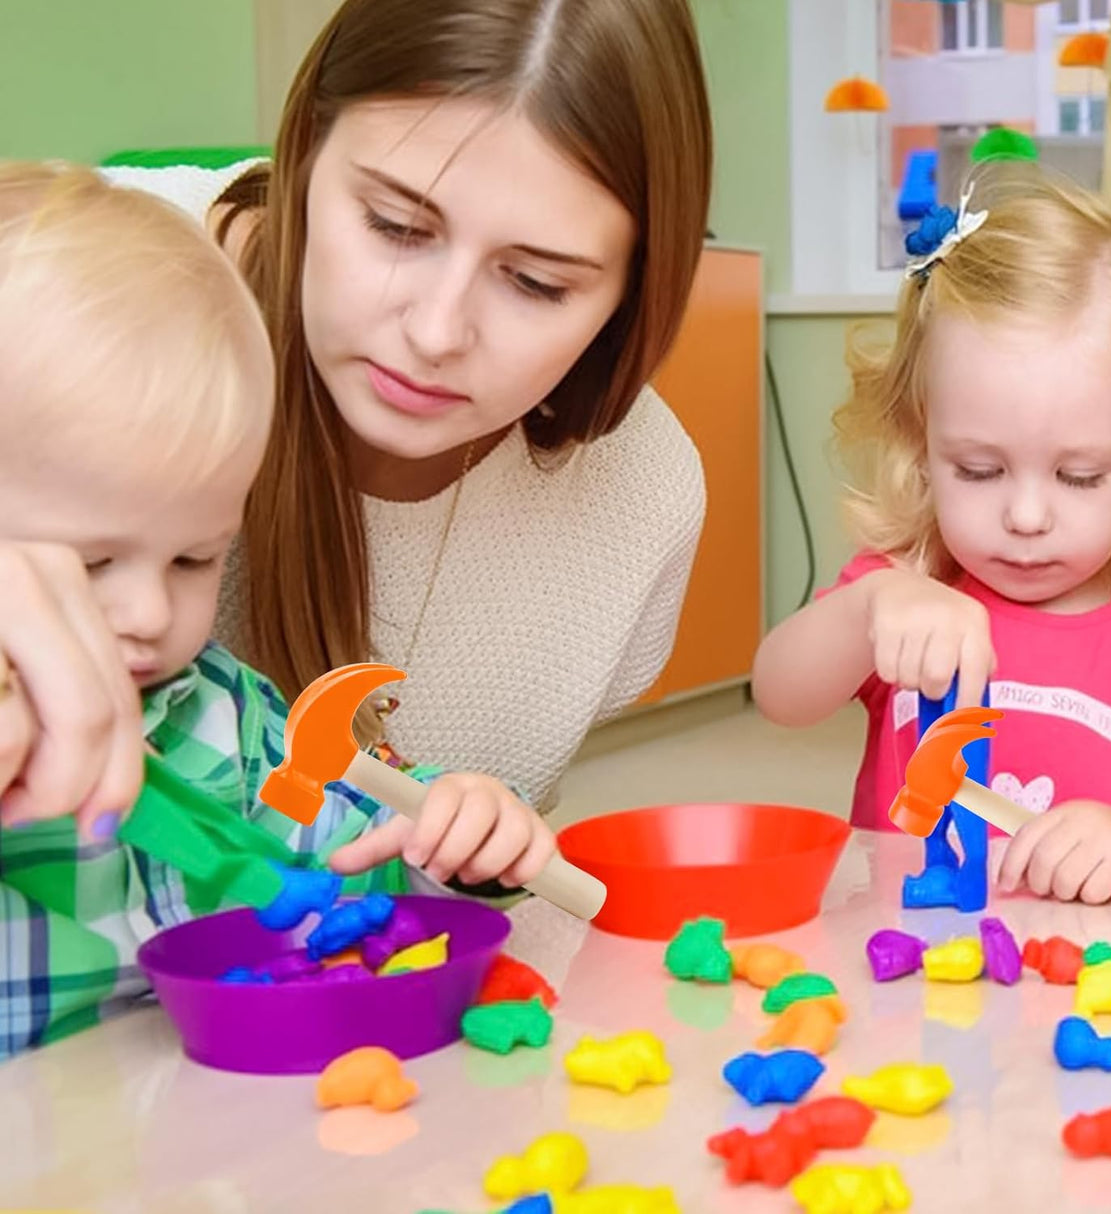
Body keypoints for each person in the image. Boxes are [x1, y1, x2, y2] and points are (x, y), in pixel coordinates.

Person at [100, 0, 712, 849]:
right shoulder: (67, 283)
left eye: (536, 282)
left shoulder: (641, 493)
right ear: (307, 148)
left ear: (632, 293)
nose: (435, 333)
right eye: (394, 226)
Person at [0, 164, 551, 1057]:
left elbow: (373, 863)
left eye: (194, 557)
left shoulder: (231, 715)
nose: (147, 611)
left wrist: (467, 831)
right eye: (92, 562)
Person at [752, 165, 1111, 907]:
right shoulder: (905, 588)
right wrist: (870, 604)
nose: (1026, 517)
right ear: (921, 446)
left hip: (1093, 976)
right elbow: (779, 694)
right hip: (908, 968)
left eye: (1081, 477)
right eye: (978, 468)